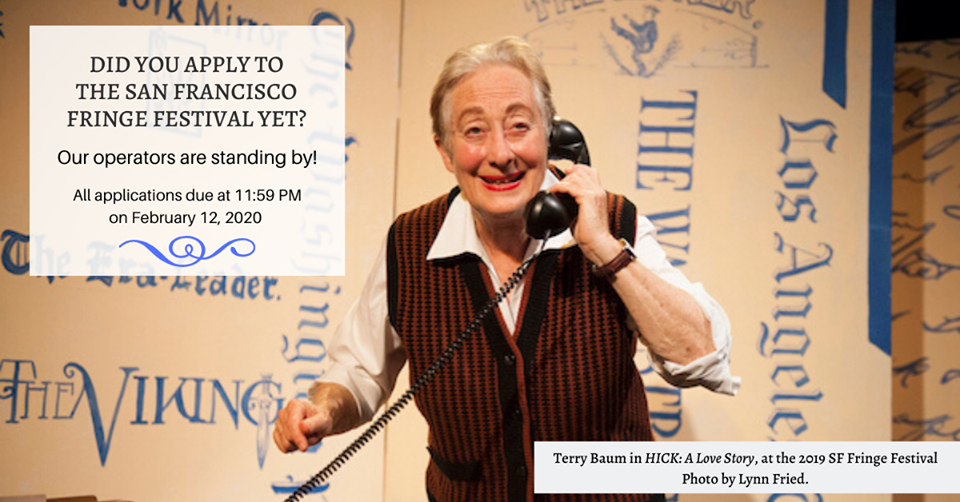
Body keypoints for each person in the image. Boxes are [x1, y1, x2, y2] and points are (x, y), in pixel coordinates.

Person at [273, 36, 739, 502]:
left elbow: (703, 357)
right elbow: (358, 370)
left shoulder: (613, 225)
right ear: (444, 149)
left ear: (550, 136)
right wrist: (323, 412)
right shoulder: (411, 243)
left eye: (519, 126)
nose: (500, 153)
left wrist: (602, 248)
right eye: (474, 131)